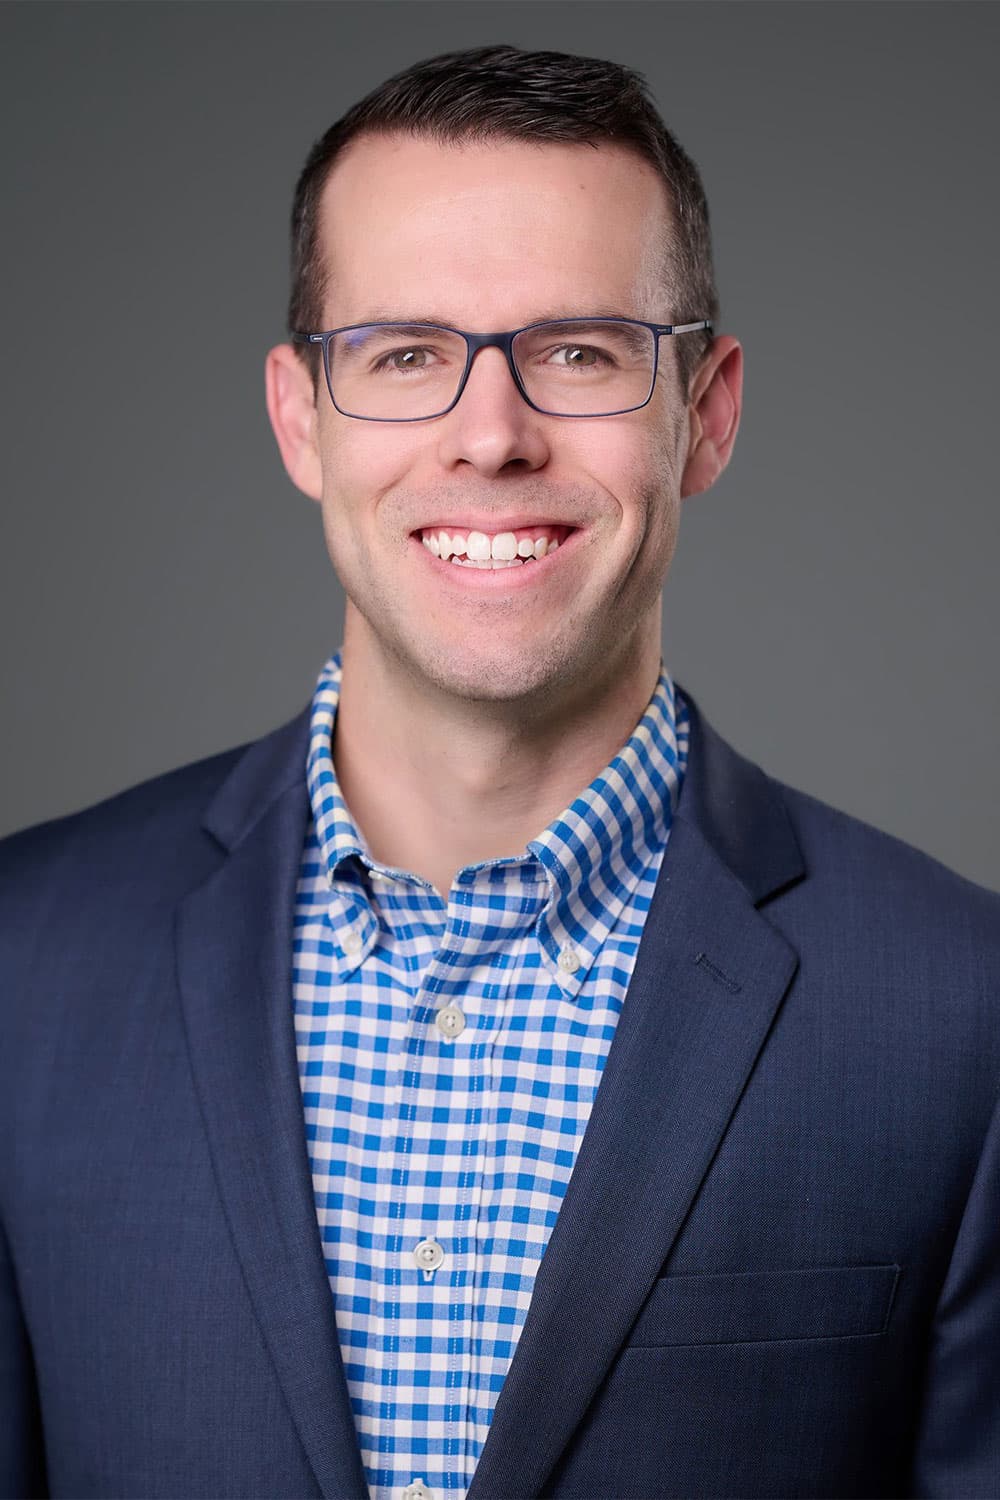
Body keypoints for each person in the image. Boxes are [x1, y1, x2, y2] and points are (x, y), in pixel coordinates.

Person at [1, 41, 998, 1500]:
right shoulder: (23, 965)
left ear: (704, 414)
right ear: (299, 419)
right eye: (406, 355)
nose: (490, 435)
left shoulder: (961, 1017)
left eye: (578, 351)